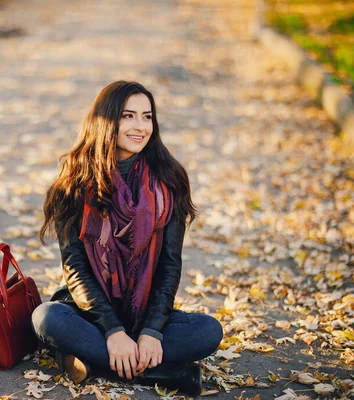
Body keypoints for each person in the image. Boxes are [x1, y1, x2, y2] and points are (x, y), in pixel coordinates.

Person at [31, 81, 223, 396]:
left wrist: (150, 331)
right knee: (47, 318)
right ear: (106, 121)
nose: (140, 126)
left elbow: (169, 266)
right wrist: (112, 331)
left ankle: (92, 364)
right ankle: (163, 373)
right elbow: (75, 268)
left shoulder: (169, 181)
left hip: (146, 313)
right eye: (128, 116)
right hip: (91, 313)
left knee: (208, 331)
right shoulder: (75, 182)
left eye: (147, 117)